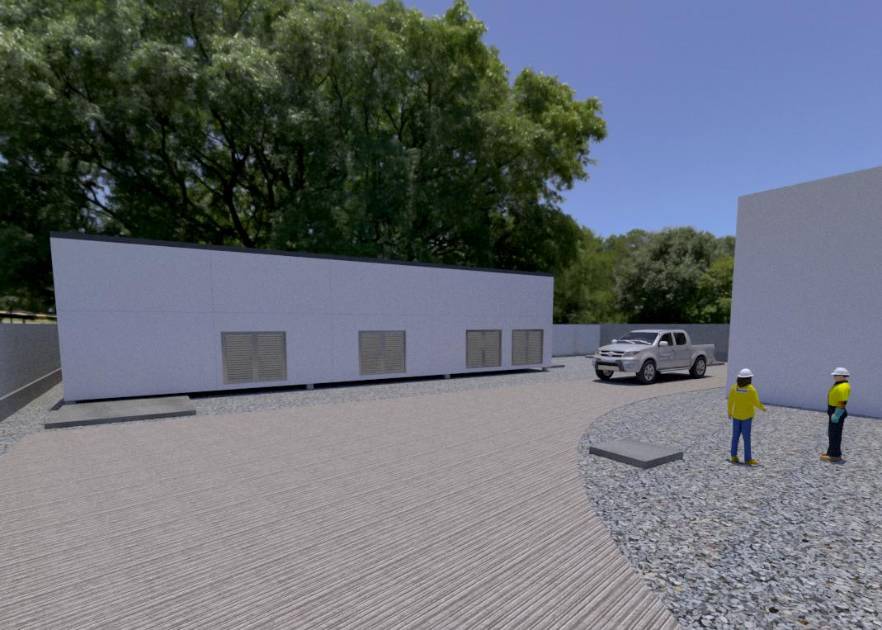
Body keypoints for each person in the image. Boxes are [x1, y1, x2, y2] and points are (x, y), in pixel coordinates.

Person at [728, 368, 766, 465]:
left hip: (736, 417)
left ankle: (733, 456)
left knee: (735, 437)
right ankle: (748, 459)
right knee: (746, 438)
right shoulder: (751, 389)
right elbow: (756, 402)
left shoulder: (734, 388)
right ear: (749, 379)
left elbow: (730, 401)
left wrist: (729, 412)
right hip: (747, 418)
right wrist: (763, 408)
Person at [821, 367, 851, 462]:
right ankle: (830, 452)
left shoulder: (843, 387)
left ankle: (835, 455)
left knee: (835, 434)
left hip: (837, 411)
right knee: (831, 433)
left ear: (842, 376)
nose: (834, 377)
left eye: (835, 375)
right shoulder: (839, 384)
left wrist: (837, 414)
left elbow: (842, 401)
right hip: (833, 410)